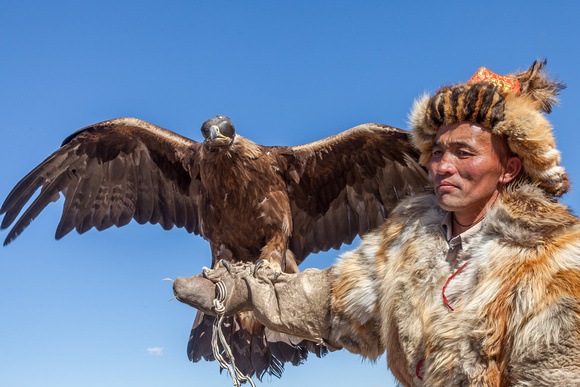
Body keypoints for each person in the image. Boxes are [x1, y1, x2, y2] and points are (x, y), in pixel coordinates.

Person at [173, 60, 580, 386]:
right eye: (436, 152)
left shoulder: (553, 263)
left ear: (508, 169)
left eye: (463, 152)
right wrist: (245, 293)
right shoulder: (408, 246)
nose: (442, 166)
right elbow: (335, 304)